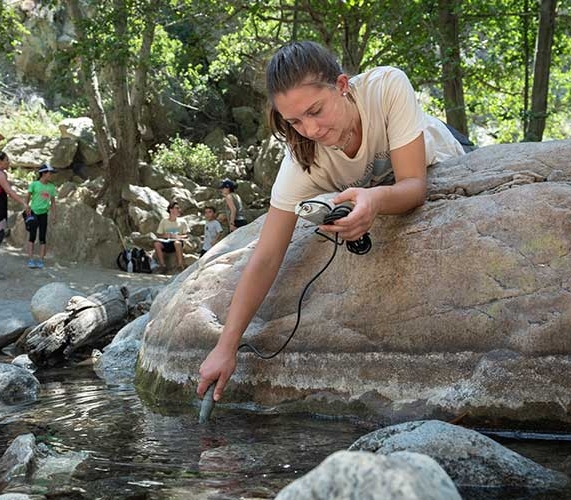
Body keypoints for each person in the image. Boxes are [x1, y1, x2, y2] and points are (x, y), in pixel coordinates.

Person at [197, 41, 469, 402]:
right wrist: (225, 347)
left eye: (316, 110)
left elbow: (413, 186)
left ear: (342, 85)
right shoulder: (301, 161)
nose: (310, 129)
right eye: (294, 121)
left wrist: (374, 201)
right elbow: (265, 257)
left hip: (446, 152)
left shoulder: (386, 87)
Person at [0, 151, 30, 279]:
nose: (9, 162)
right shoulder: (0, 174)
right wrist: (24, 204)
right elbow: (9, 191)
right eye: (7, 160)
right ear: (0, 161)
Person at [25, 164, 57, 269]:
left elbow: (53, 202)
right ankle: (30, 259)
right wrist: (27, 208)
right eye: (50, 173)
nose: (51, 175)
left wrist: (54, 214)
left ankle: (41, 260)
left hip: (44, 214)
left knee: (42, 237)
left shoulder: (51, 187)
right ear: (43, 173)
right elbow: (28, 196)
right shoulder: (34, 185)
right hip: (34, 213)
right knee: (32, 237)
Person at [152, 201, 189, 273]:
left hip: (177, 242)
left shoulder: (182, 221)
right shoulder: (164, 221)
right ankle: (162, 266)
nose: (179, 210)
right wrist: (166, 235)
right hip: (167, 242)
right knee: (156, 244)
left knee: (177, 243)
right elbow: (159, 234)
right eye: (177, 208)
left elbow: (186, 235)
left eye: (179, 208)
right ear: (171, 210)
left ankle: (180, 266)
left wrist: (177, 236)